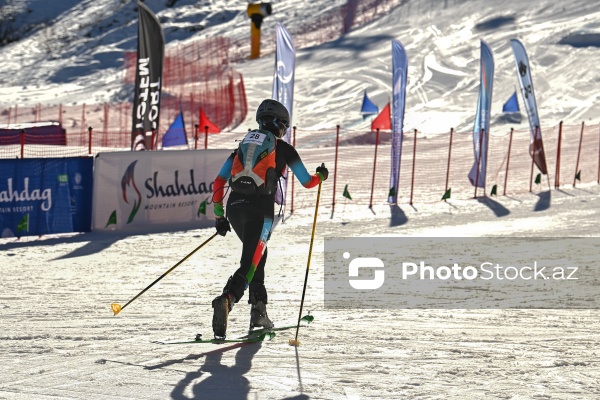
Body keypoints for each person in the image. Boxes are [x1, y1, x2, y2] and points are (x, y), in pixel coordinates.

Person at [211, 99, 328, 339]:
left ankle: (258, 310)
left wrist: (220, 217)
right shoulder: (284, 149)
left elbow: (218, 183)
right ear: (280, 124)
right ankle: (228, 299)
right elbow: (308, 182)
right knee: (251, 263)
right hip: (260, 211)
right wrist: (321, 176)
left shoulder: (242, 146)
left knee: (258, 255)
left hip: (234, 208)